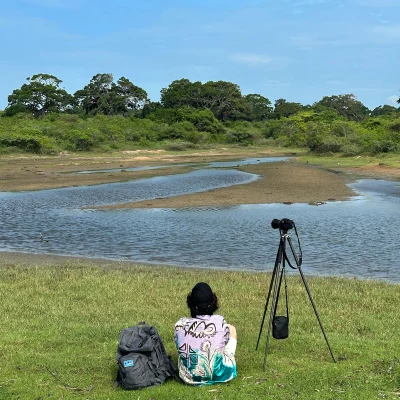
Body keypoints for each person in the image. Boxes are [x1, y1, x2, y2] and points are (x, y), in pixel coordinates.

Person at [174, 282, 237, 385]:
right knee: (231, 329)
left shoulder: (180, 325)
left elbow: (179, 345)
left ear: (190, 303)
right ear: (214, 302)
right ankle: (225, 362)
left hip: (189, 378)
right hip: (222, 375)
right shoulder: (220, 322)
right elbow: (224, 341)